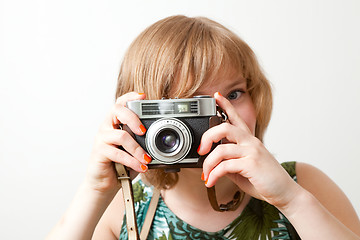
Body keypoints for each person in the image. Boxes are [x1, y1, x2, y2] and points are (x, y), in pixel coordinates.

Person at [47, 15, 360, 240]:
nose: (218, 119)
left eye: (234, 94)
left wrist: (291, 201)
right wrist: (95, 190)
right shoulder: (125, 207)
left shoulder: (303, 185)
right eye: (192, 105)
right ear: (142, 117)